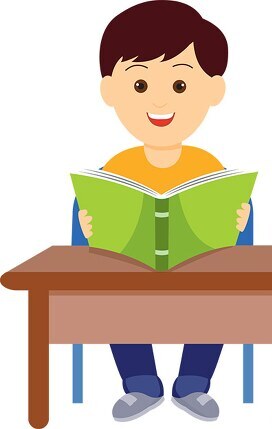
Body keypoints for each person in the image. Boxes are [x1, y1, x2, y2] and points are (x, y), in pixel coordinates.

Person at [77, 0, 250, 422]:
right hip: (128, 279)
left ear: (213, 90)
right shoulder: (113, 171)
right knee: (109, 299)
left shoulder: (210, 169)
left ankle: (194, 383)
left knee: (223, 299)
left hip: (201, 279)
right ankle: (140, 384)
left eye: (179, 86)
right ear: (109, 90)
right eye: (139, 86)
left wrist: (241, 225)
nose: (159, 101)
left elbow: (238, 246)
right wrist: (86, 229)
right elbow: (90, 245)